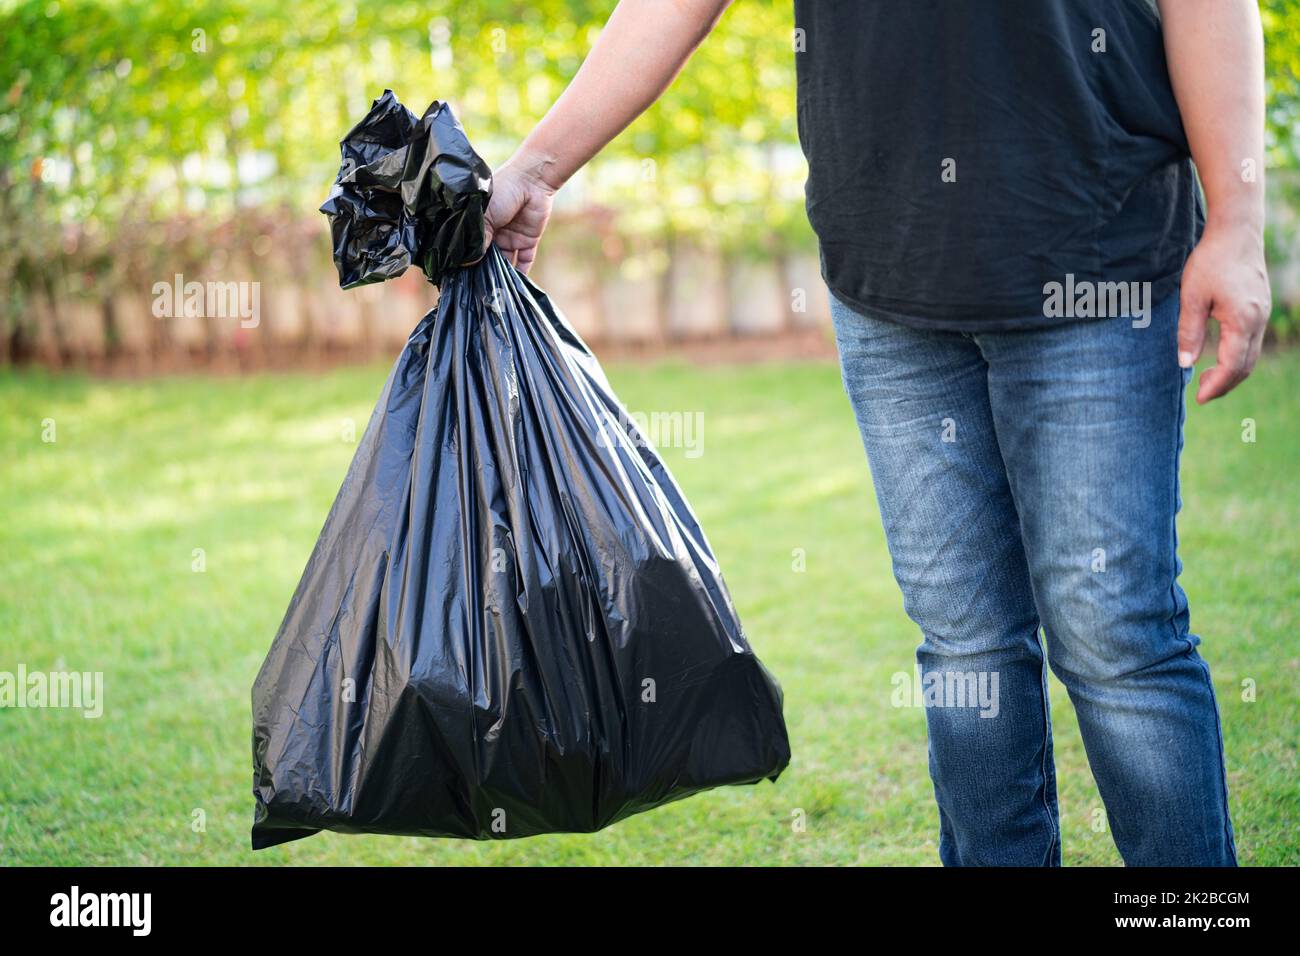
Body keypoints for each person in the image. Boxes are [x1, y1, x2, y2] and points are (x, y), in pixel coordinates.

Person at [479, 0, 1269, 866]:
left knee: (1114, 635)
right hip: (890, 285)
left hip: (1097, 257)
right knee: (962, 642)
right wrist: (538, 168)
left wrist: (1234, 222)